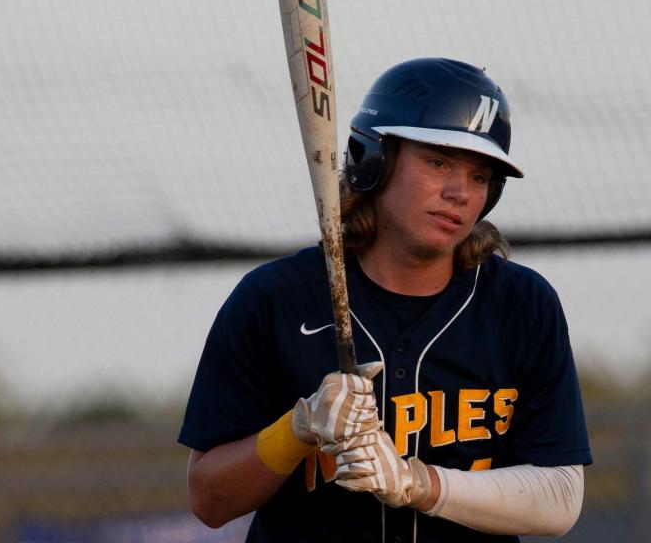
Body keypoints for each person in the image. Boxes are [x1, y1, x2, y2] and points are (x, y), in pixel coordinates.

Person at [178, 58, 592, 543]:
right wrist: (297, 428)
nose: (459, 192)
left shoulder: (521, 305)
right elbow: (210, 500)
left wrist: (422, 484)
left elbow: (560, 499)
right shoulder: (274, 300)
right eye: (438, 162)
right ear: (375, 160)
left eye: (480, 176)